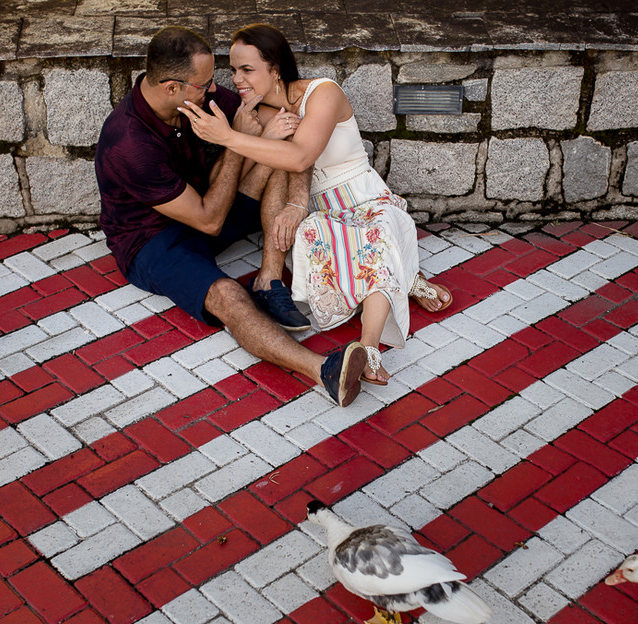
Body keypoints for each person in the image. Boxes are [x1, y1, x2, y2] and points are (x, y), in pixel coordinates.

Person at [93, 26, 368, 407]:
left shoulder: (195, 99)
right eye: (204, 84)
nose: (214, 89)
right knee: (227, 295)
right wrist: (234, 140)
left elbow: (285, 122)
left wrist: (274, 140)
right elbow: (209, 221)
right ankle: (324, 369)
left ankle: (268, 278)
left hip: (206, 209)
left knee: (277, 146)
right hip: (154, 242)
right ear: (172, 87)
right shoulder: (129, 144)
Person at [179, 23, 453, 387]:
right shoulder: (256, 114)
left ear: (275, 68)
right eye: (233, 70)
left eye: (246, 69)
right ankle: (404, 276)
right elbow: (232, 178)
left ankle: (368, 349)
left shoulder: (323, 93)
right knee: (325, 240)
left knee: (375, 231)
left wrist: (228, 135)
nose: (237, 79)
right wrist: (239, 135)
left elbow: (300, 156)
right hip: (317, 208)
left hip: (360, 195)